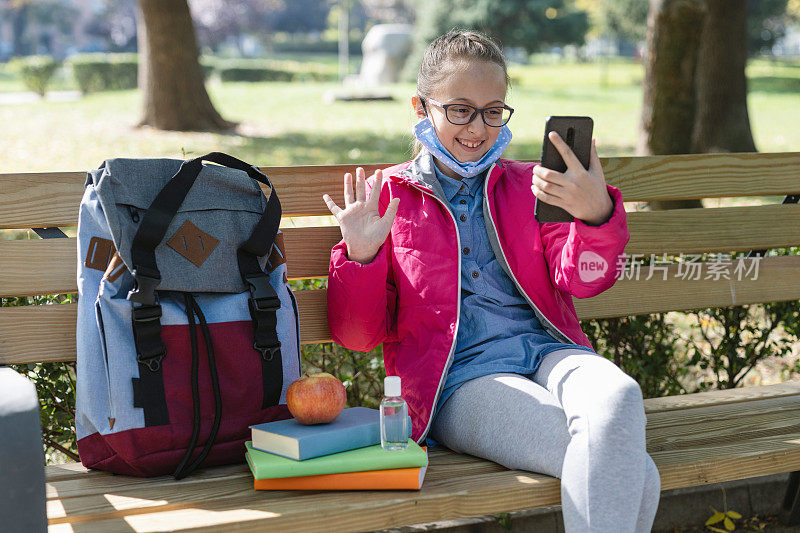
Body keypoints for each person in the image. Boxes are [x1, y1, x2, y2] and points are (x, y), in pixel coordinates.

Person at [322, 29, 660, 532]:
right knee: (632, 467)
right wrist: (361, 253)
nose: (478, 128)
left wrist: (594, 216)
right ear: (421, 108)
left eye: (493, 110)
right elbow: (357, 336)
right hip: (461, 381)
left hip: (550, 352)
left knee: (619, 399)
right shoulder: (387, 198)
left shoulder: (532, 185)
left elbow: (583, 280)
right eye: (460, 109)